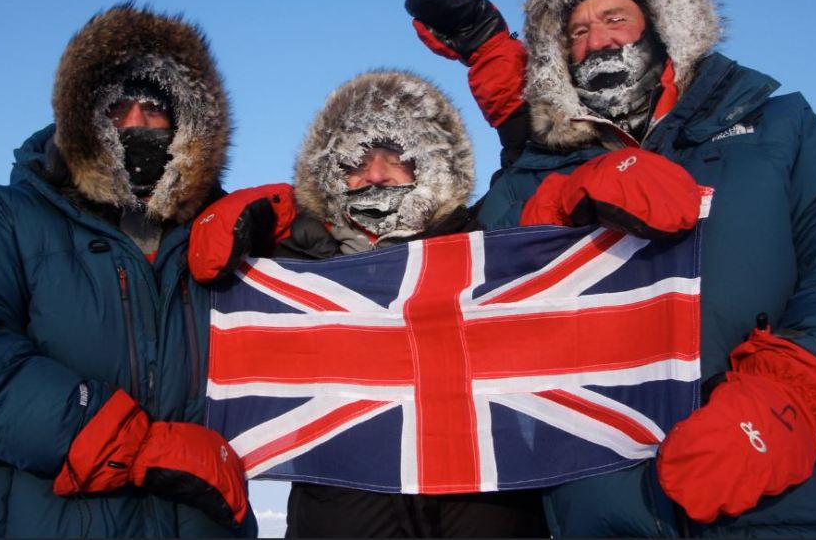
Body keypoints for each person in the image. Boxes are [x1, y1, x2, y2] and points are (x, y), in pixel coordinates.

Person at [407, 0, 816, 537]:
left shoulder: (780, 130)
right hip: (601, 503)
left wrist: (789, 399)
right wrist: (554, 205)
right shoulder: (536, 170)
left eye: (615, 18)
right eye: (577, 30)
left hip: (796, 490)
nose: (598, 40)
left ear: (662, 22)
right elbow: (460, 294)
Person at [0, 3, 256, 537]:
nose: (137, 123)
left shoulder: (232, 242)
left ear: (189, 124)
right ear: (84, 117)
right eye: (117, 107)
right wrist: (126, 443)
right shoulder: (2, 217)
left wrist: (299, 228)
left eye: (155, 107)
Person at [189, 69, 549, 537]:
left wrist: (491, 60)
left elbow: (535, 166)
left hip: (485, 503)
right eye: (357, 160)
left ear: (429, 168)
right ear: (332, 178)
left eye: (395, 156)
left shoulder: (483, 248)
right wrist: (255, 224)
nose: (375, 174)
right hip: (338, 509)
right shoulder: (294, 268)